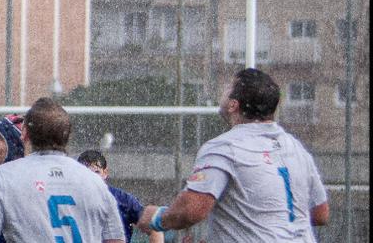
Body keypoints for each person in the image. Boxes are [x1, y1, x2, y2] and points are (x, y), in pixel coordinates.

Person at [138, 68, 330, 242]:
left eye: (228, 86)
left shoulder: (225, 147)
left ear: (233, 105)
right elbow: (321, 213)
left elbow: (191, 211)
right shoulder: (296, 148)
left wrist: (156, 218)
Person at [0, 97, 124, 243]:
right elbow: (116, 240)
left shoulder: (3, 177)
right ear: (67, 136)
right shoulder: (95, 182)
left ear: (25, 134)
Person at [76, 149, 163, 243]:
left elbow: (154, 229)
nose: (92, 179)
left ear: (105, 173)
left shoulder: (123, 200)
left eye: (96, 173)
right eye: (87, 173)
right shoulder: (72, 200)